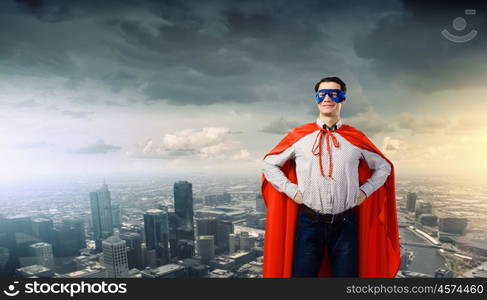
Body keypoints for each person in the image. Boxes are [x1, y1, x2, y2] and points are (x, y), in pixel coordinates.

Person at [261, 76, 400, 278]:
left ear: (343, 99)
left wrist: (365, 191)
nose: (327, 98)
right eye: (322, 94)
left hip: (346, 224)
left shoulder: (355, 138)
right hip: (309, 222)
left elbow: (384, 166)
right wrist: (292, 191)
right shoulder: (300, 137)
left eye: (334, 93)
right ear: (316, 99)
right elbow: (269, 163)